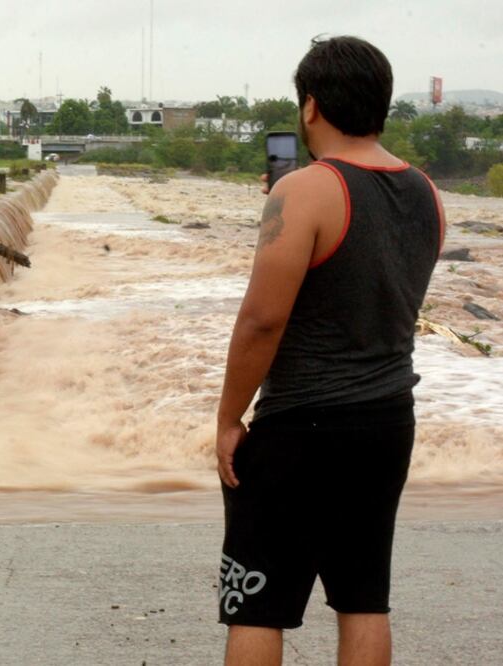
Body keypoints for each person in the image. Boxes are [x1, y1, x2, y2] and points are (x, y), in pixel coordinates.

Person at [215, 36, 445, 666]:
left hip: (302, 426)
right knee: (364, 597)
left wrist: (229, 417)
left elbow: (262, 320)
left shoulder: (306, 190)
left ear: (311, 105)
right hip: (388, 423)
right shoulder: (426, 192)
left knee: (257, 602)